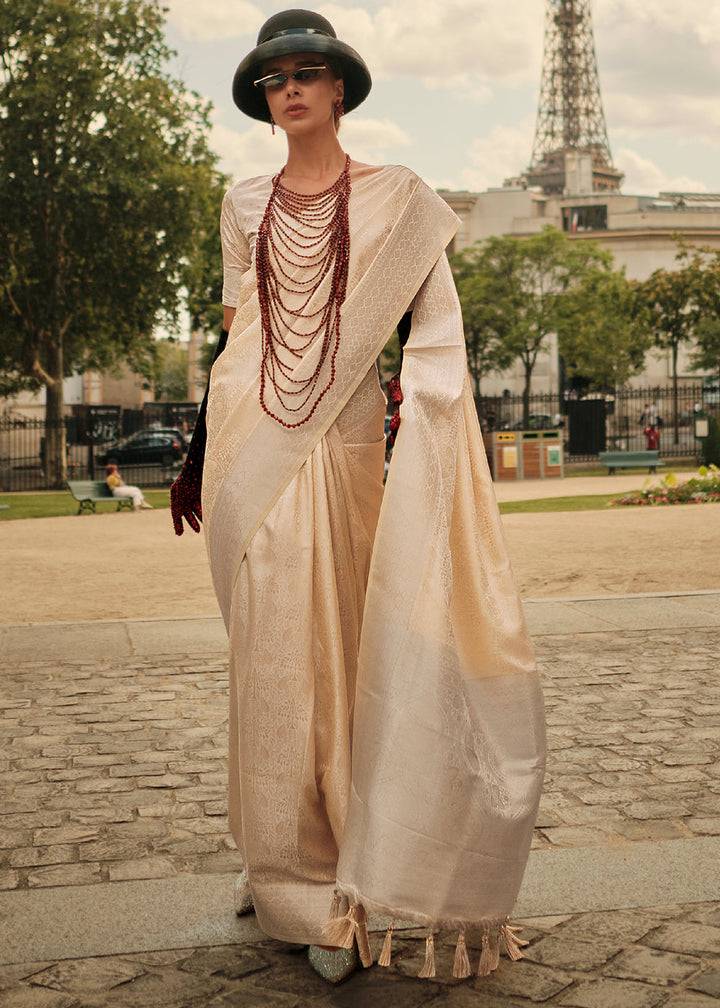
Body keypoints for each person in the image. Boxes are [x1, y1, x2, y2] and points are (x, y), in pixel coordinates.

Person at [171, 9, 545, 985]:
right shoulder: (243, 202)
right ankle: (286, 874)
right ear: (263, 96)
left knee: (345, 656)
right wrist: (195, 446)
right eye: (275, 77)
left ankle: (351, 869)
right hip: (250, 450)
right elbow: (236, 335)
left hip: (345, 456)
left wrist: (431, 430)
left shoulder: (400, 201)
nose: (290, 88)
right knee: (269, 659)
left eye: (308, 72)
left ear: (340, 88)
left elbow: (431, 333)